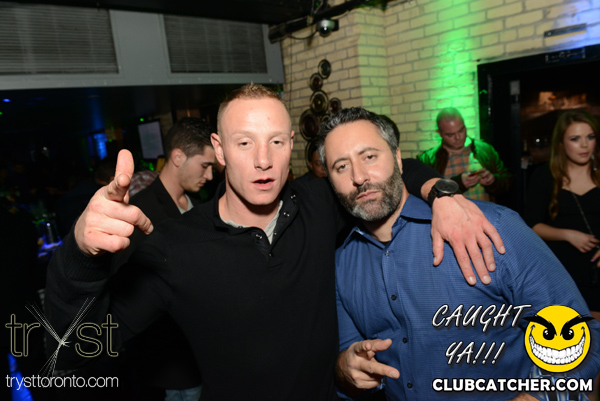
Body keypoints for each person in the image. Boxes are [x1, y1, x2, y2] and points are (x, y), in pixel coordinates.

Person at [45, 84, 504, 401]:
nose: (263, 160)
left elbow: (384, 169)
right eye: (245, 143)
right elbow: (72, 353)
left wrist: (443, 194)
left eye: (276, 142)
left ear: (292, 146)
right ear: (219, 150)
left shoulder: (319, 204)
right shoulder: (173, 246)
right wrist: (81, 256)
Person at [317, 107, 600, 401]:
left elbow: (582, 338)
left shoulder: (493, 228)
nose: (359, 176)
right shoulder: (341, 264)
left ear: (399, 160)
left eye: (369, 157)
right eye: (341, 166)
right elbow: (350, 361)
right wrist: (345, 369)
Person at [113, 117, 215, 401]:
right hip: (170, 364)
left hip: (201, 356)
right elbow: (125, 294)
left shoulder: (198, 205)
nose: (209, 175)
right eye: (204, 165)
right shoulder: (140, 211)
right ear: (178, 157)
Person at [523, 110, 600, 320]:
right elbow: (531, 225)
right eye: (575, 139)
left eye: (590, 137)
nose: (584, 145)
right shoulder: (544, 177)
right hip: (564, 271)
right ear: (561, 143)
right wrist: (568, 235)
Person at [418, 107, 512, 202]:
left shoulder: (485, 150)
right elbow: (424, 194)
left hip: (486, 211)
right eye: (450, 135)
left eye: (461, 130)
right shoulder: (427, 159)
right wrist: (457, 184)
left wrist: (493, 181)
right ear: (439, 133)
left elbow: (508, 183)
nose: (458, 137)